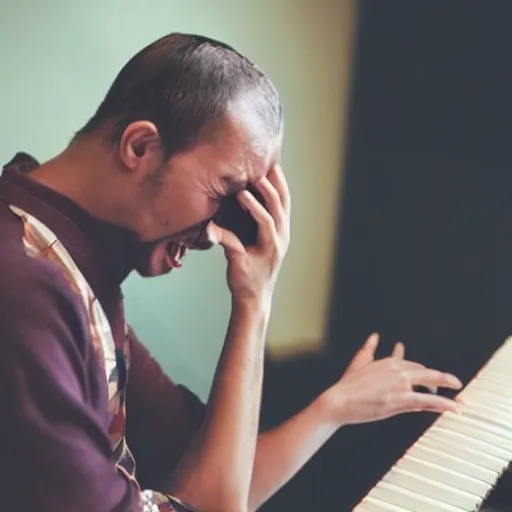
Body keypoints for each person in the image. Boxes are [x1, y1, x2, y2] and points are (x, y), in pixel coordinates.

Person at [0, 33, 463, 512]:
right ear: (140, 147)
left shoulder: (70, 256)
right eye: (225, 190)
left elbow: (214, 478)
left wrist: (334, 407)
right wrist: (255, 305)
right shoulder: (25, 291)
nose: (217, 234)